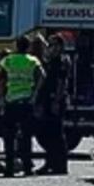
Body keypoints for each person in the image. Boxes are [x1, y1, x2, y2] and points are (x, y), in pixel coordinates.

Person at [0, 36, 44, 177]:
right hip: (26, 102)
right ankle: (27, 167)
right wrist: (35, 95)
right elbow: (42, 76)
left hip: (11, 101)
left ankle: (9, 168)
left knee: (9, 137)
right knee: (26, 137)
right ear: (28, 47)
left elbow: (2, 80)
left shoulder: (8, 60)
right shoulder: (32, 61)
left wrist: (1, 99)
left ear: (16, 46)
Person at [36, 33, 69, 175]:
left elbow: (62, 83)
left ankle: (60, 166)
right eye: (50, 45)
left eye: (54, 45)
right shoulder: (50, 60)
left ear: (60, 47)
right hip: (47, 100)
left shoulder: (61, 61)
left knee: (56, 134)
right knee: (46, 134)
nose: (51, 48)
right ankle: (50, 163)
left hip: (56, 100)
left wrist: (56, 101)